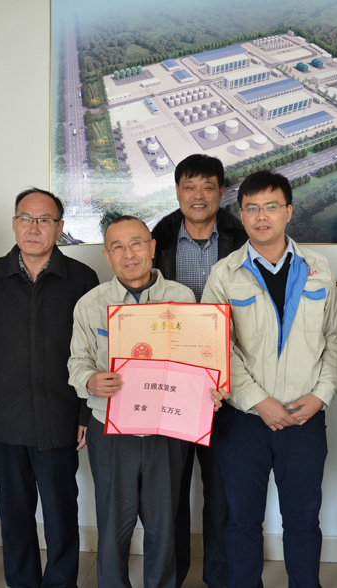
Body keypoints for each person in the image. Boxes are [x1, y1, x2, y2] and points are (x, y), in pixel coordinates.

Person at [202, 171, 337, 588]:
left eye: (271, 207)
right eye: (252, 208)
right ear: (241, 215)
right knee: (242, 521)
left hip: (304, 416)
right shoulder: (224, 274)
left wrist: (321, 396)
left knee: (303, 521)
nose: (262, 217)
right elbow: (216, 347)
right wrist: (257, 401)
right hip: (243, 421)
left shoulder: (319, 269)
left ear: (289, 212)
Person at [0, 188, 99, 588]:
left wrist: (85, 413)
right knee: (15, 518)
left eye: (44, 220)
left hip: (59, 421)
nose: (33, 228)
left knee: (61, 516)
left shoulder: (81, 279)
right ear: (13, 223)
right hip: (4, 422)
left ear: (60, 227)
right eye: (26, 218)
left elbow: (94, 353)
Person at [68, 216, 198, 588]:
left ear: (153, 248)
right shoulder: (91, 304)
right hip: (111, 429)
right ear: (107, 256)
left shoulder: (182, 298)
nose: (129, 254)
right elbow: (77, 362)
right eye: (118, 247)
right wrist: (90, 380)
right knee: (112, 526)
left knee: (164, 525)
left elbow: (199, 360)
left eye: (137, 243)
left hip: (167, 429)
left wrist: (209, 388)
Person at [151, 154, 247, 588]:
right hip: (170, 384)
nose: (198, 195)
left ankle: (219, 577)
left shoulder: (241, 238)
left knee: (221, 492)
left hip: (226, 384)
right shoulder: (158, 238)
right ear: (177, 191)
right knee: (169, 493)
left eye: (208, 187)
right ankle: (171, 577)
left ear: (221, 192)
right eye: (189, 186)